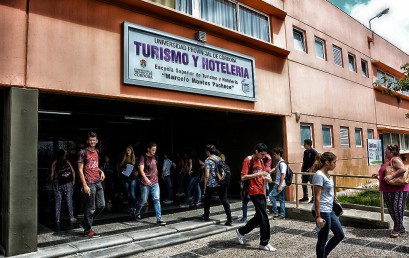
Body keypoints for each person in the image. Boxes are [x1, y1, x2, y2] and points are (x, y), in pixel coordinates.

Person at [236, 143, 275, 252]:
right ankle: (264, 242)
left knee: (259, 217)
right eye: (262, 154)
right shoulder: (248, 160)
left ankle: (241, 231)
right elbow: (243, 177)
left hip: (261, 190)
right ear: (256, 151)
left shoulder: (261, 160)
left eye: (264, 155)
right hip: (253, 191)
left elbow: (262, 173)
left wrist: (267, 177)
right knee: (264, 217)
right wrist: (258, 175)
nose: (263, 156)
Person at [372, 144, 409, 238]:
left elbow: (402, 169)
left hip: (398, 189)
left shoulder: (395, 159)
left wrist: (391, 176)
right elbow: (387, 175)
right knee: (392, 210)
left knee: (396, 209)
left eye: (387, 151)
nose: (385, 152)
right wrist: (378, 177)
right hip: (388, 188)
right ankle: (400, 228)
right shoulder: (388, 161)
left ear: (392, 152)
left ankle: (397, 228)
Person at [312, 152, 344, 258]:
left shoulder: (327, 175)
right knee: (322, 239)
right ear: (327, 162)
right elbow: (317, 197)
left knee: (339, 234)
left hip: (330, 210)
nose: (335, 164)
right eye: (334, 162)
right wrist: (318, 216)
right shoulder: (318, 175)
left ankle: (323, 255)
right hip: (322, 211)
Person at [78, 132, 105, 237]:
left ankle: (85, 223)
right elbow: (80, 170)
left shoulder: (97, 152)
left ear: (97, 141)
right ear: (87, 141)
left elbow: (94, 166)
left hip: (98, 182)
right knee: (91, 208)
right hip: (89, 183)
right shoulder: (82, 152)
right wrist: (85, 185)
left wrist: (101, 171)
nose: (92, 141)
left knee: (102, 205)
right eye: (90, 140)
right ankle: (87, 231)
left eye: (94, 140)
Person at [135, 142, 166, 226]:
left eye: (155, 150)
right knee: (143, 200)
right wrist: (145, 179)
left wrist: (157, 177)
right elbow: (141, 169)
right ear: (148, 149)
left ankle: (159, 219)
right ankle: (137, 212)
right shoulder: (143, 157)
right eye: (152, 150)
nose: (154, 151)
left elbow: (156, 168)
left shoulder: (155, 157)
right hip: (145, 183)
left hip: (155, 182)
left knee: (157, 199)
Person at [202, 144, 233, 226]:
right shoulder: (218, 158)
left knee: (207, 199)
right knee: (224, 200)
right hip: (221, 182)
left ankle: (206, 215)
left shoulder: (208, 160)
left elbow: (207, 175)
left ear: (208, 151)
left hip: (211, 184)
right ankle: (229, 218)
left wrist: (204, 186)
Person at [50, 149, 76, 224]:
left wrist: (53, 182)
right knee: (69, 200)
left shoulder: (54, 162)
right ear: (64, 155)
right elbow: (73, 171)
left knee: (58, 201)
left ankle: (57, 218)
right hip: (68, 183)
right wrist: (73, 181)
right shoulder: (67, 161)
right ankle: (71, 217)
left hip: (57, 182)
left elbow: (52, 175)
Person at [119, 146, 139, 218]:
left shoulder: (135, 159)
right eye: (127, 150)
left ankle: (135, 208)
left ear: (131, 151)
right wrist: (123, 169)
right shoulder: (124, 159)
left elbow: (139, 167)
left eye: (129, 150)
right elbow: (120, 167)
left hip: (133, 178)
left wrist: (137, 172)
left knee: (132, 193)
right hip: (126, 178)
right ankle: (130, 208)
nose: (128, 152)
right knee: (128, 194)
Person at [268, 147, 287, 219]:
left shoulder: (282, 164)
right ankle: (282, 215)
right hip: (280, 184)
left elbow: (283, 175)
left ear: (279, 154)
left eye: (275, 154)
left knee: (271, 196)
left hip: (279, 184)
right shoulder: (280, 162)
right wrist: (268, 172)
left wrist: (280, 185)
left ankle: (275, 211)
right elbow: (275, 169)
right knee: (282, 199)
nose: (274, 156)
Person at [300, 139, 318, 203]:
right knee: (303, 184)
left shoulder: (314, 152)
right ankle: (305, 196)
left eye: (305, 144)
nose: (304, 145)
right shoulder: (305, 152)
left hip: (311, 172)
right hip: (305, 170)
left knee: (312, 184)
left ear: (308, 144)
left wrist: (312, 169)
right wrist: (302, 167)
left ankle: (314, 198)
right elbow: (304, 161)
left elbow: (317, 162)